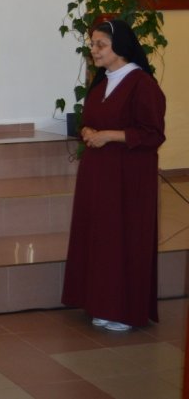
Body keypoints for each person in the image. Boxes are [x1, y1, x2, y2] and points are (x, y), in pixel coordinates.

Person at [62, 19, 166, 332]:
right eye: (92, 44)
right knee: (100, 237)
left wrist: (109, 135)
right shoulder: (101, 83)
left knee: (122, 239)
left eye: (100, 45)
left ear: (119, 48)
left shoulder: (142, 85)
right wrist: (87, 131)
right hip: (98, 175)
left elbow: (152, 133)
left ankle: (124, 310)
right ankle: (100, 301)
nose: (93, 50)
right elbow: (90, 121)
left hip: (128, 178)